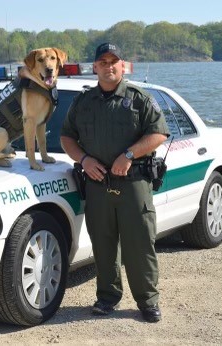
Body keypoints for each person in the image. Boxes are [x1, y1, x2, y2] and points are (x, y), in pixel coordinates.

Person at [60, 42, 170, 323]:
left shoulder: (139, 98)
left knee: (139, 246)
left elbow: (159, 133)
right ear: (94, 67)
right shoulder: (83, 102)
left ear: (123, 66)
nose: (108, 67)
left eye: (114, 62)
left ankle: (147, 301)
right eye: (103, 62)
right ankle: (107, 298)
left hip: (133, 184)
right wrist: (84, 159)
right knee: (103, 245)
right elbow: (67, 138)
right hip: (97, 185)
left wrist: (129, 154)